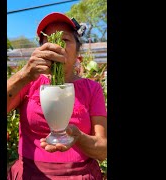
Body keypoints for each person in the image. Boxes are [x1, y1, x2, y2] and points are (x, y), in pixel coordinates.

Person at [7, 12, 107, 180]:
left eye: (65, 39)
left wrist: (79, 137)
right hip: (31, 173)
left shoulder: (92, 89)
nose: (55, 45)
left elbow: (103, 150)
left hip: (80, 175)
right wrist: (24, 73)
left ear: (77, 53)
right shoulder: (29, 82)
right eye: (48, 40)